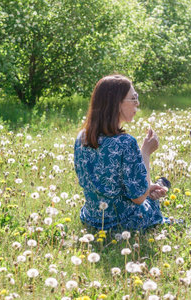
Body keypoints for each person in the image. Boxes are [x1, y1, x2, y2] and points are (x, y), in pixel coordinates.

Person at [74, 74, 170, 231]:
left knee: (150, 190)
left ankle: (155, 185)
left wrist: (147, 187)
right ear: (116, 103)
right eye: (133, 98)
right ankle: (161, 183)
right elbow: (139, 198)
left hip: (91, 218)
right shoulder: (125, 142)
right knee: (152, 197)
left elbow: (106, 181)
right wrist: (145, 153)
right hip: (122, 223)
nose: (137, 103)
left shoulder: (81, 137)